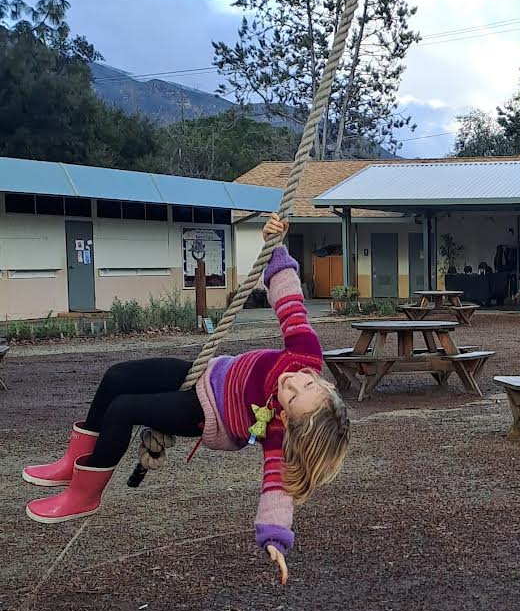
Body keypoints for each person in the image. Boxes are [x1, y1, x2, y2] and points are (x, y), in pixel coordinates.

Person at [21, 215, 349, 585]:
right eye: (307, 384)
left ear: (286, 419)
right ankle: (72, 463)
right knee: (117, 377)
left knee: (123, 409)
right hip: (201, 374)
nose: (292, 384)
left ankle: (84, 494)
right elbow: (290, 303)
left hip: (204, 414)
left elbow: (277, 486)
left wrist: (275, 538)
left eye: (292, 398)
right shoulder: (305, 355)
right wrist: (275, 247)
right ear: (326, 384)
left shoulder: (275, 432)